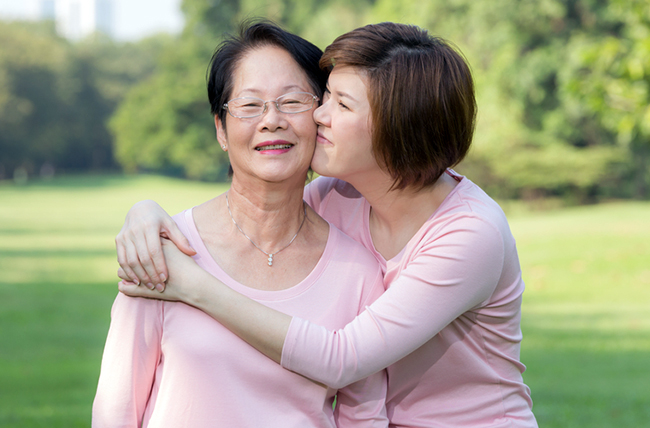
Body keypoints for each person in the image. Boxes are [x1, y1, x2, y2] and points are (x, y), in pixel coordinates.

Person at [116, 22, 539, 427]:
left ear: (399, 125)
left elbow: (342, 359)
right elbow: (254, 209)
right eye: (326, 97)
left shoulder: (468, 234)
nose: (319, 115)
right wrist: (144, 212)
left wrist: (191, 286)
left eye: (342, 104)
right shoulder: (336, 199)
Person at [92, 21, 389, 428]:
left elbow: (365, 417)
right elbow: (116, 409)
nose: (272, 120)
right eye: (250, 105)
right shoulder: (163, 251)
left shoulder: (358, 272)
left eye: (292, 101)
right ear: (220, 129)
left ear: (321, 116)